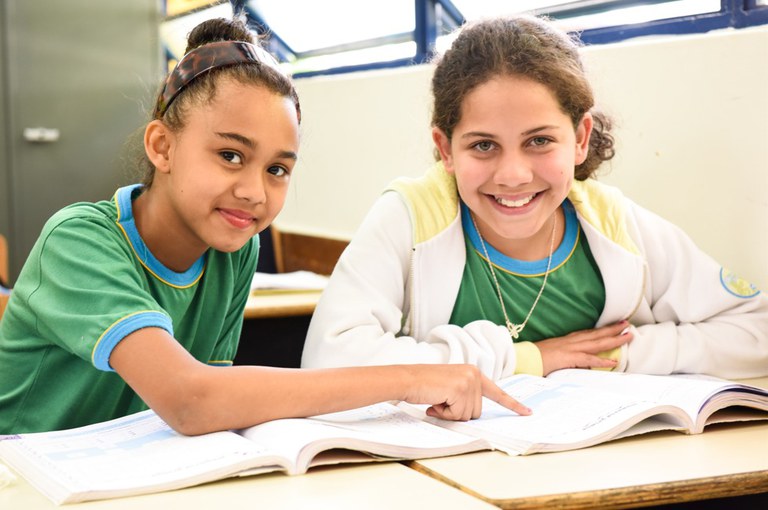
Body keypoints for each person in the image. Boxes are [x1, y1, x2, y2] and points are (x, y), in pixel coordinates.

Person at [0, 17, 530, 435]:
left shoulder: (233, 250)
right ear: (162, 146)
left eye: (277, 169)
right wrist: (411, 379)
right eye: (231, 155)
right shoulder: (76, 240)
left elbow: (219, 396)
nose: (255, 191)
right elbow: (190, 399)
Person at [302, 15, 768, 380]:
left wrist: (616, 353)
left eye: (539, 141)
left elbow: (755, 331)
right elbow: (328, 361)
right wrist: (527, 360)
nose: (513, 175)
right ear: (445, 149)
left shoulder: (613, 224)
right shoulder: (410, 217)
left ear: (580, 138)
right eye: (483, 145)